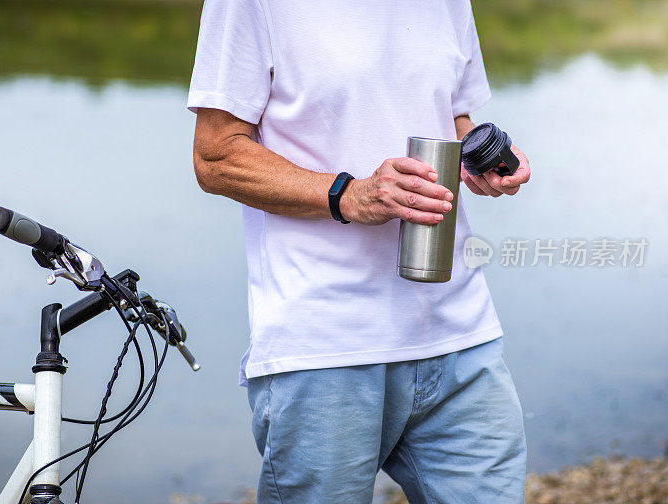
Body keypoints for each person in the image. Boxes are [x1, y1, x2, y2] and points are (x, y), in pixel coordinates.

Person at [187, 1, 531, 502]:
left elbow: (450, 114)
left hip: (459, 331)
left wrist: (483, 156)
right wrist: (350, 194)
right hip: (326, 347)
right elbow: (215, 156)